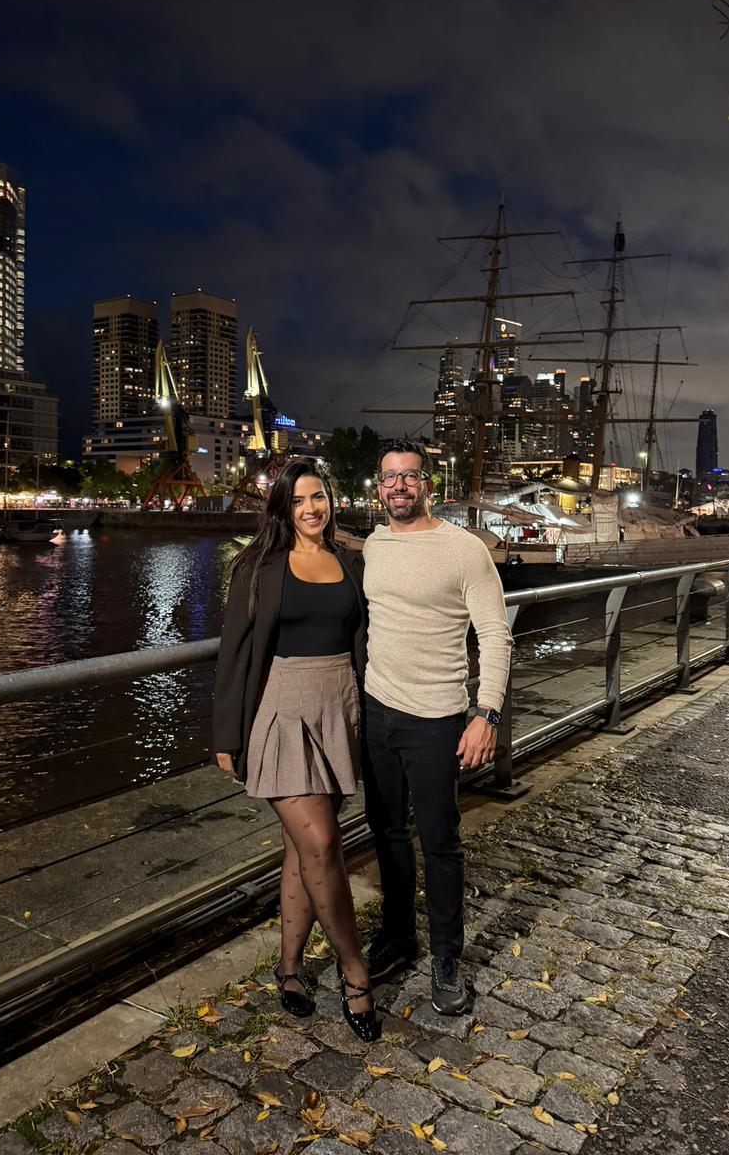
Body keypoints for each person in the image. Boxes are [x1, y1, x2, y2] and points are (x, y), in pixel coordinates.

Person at [212, 459, 380, 1042]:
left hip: (340, 703)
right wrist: (226, 736)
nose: (312, 508)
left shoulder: (350, 563)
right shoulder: (258, 568)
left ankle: (289, 967)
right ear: (282, 509)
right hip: (280, 707)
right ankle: (354, 970)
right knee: (322, 841)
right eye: (299, 500)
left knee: (299, 849)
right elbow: (233, 652)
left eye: (319, 497)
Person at [362, 439, 512, 1015]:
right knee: (386, 832)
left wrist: (486, 712)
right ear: (379, 487)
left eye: (409, 477)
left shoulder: (462, 549)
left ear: (429, 485)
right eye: (389, 478)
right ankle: (399, 935)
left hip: (436, 716)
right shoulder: (373, 544)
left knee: (441, 842)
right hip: (377, 710)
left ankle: (448, 955)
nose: (398, 486)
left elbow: (495, 634)